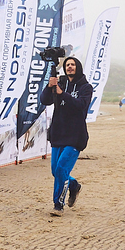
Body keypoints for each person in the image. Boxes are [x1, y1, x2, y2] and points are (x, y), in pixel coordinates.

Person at [40, 56, 93, 217]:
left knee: (62, 167)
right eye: (67, 65)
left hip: (75, 135)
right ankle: (74, 185)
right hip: (58, 132)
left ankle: (58, 204)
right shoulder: (60, 82)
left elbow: (81, 106)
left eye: (72, 64)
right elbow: (45, 100)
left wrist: (62, 94)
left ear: (78, 67)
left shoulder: (86, 87)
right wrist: (49, 87)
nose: (70, 67)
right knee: (56, 171)